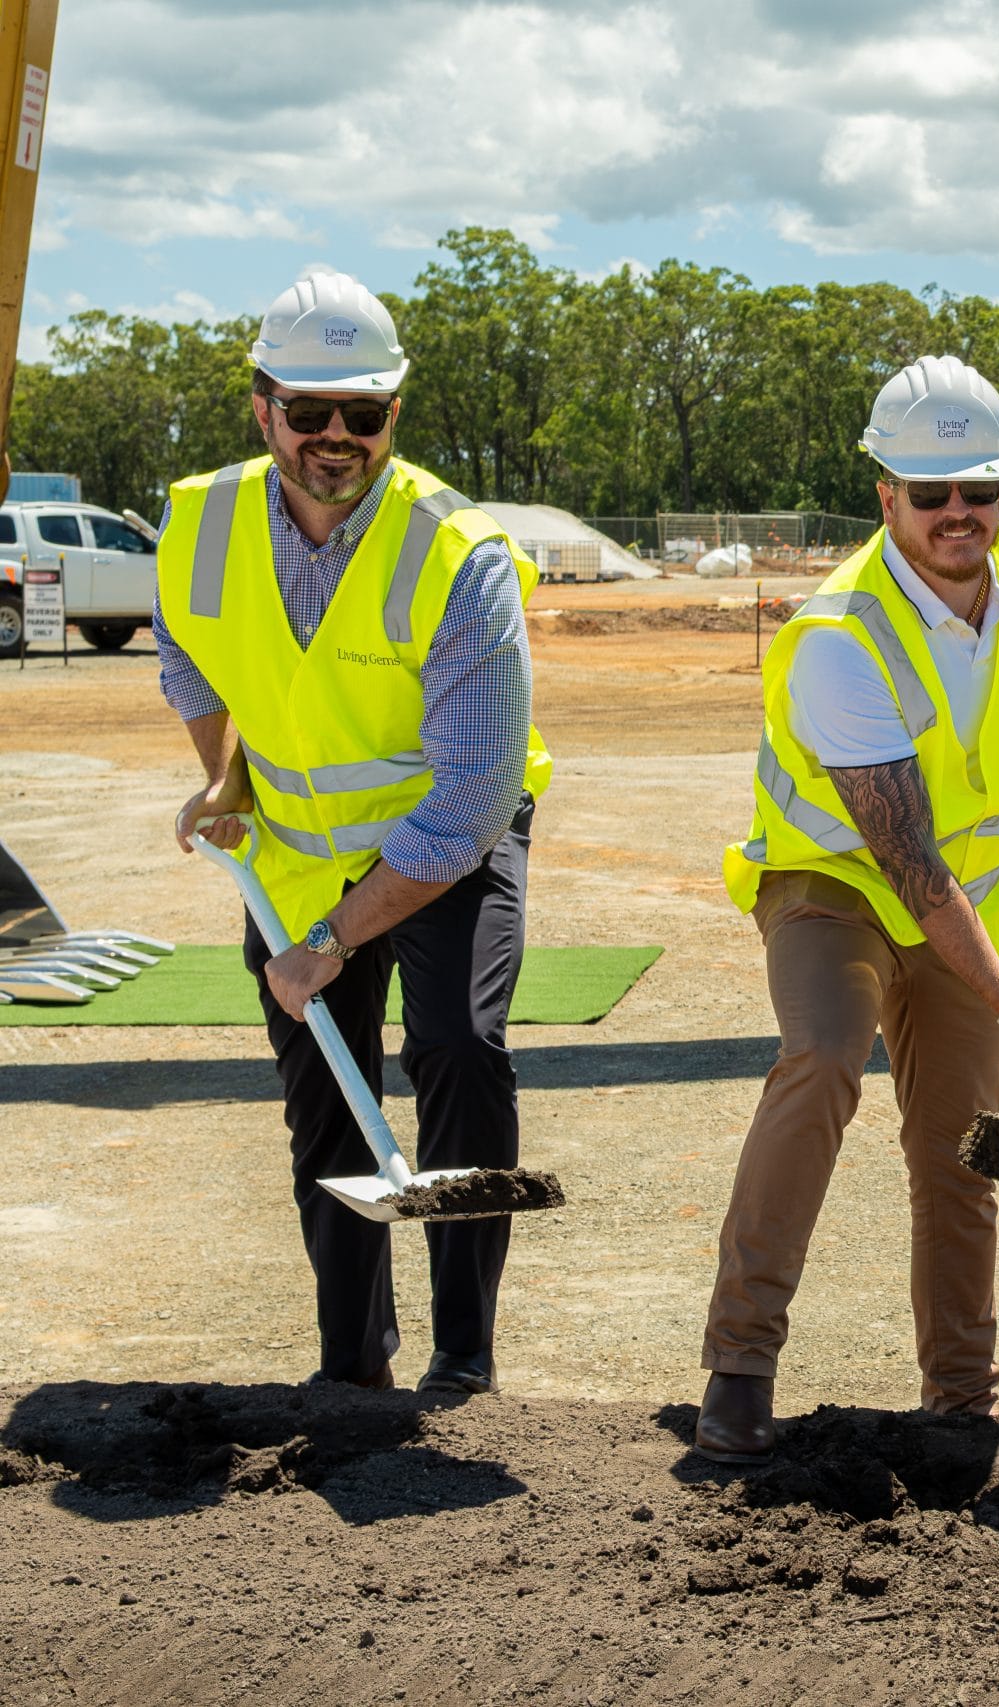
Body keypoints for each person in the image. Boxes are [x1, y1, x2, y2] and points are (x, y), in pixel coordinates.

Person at [157, 271, 549, 1396]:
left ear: (394, 415)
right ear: (261, 403)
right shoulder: (200, 519)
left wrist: (330, 939)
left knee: (459, 1050)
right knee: (326, 1095)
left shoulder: (457, 557)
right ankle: (351, 1371)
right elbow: (191, 652)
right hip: (294, 845)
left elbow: (470, 799)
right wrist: (229, 776)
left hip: (447, 843)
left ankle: (462, 1358)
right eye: (309, 411)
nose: (336, 439)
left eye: (363, 416)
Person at [693, 357, 999, 1462]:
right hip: (837, 881)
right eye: (931, 493)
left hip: (959, 884)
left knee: (960, 1142)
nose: (958, 513)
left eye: (979, 488)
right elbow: (905, 862)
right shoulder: (837, 640)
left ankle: (960, 1399)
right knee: (823, 1057)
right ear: (886, 496)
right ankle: (738, 1365)